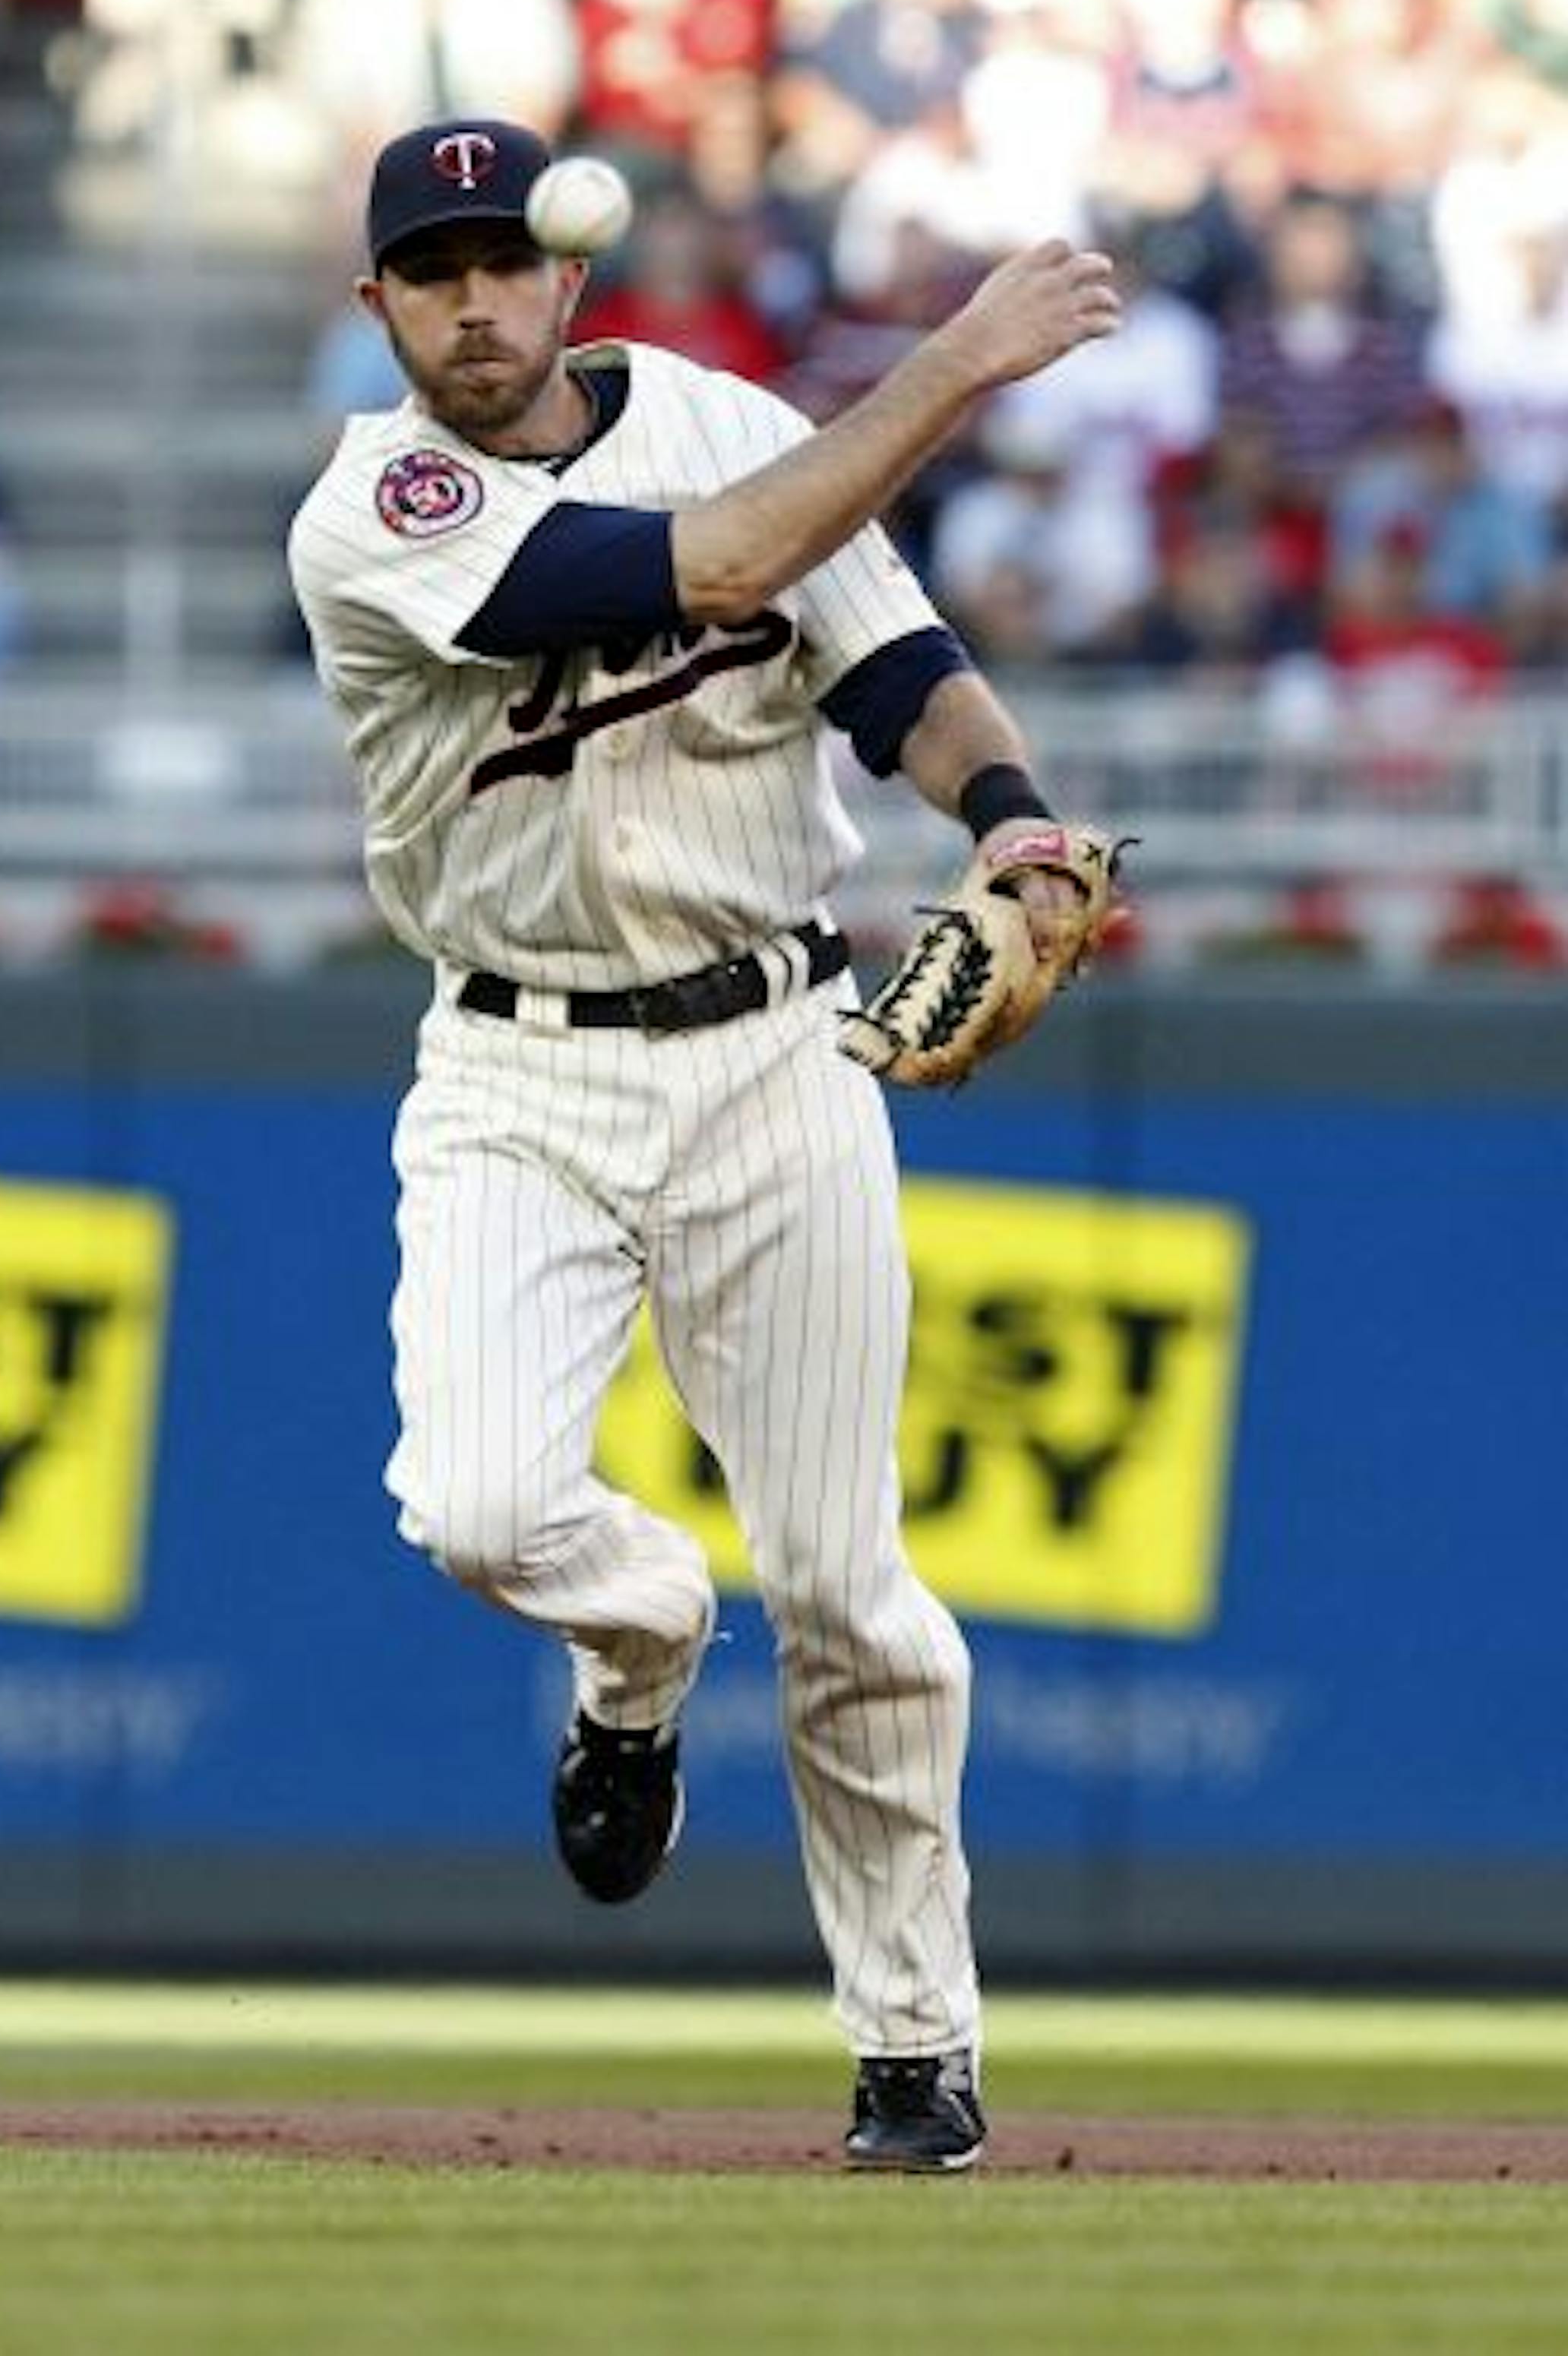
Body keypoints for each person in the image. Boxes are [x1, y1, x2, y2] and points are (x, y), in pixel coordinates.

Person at [288, 116, 1119, 2173]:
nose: (475, 299)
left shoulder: (728, 418)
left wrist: (1006, 811)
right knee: (479, 1501)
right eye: (431, 268)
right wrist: (954, 366)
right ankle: (642, 1640)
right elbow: (717, 567)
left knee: (847, 1583)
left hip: (774, 1048)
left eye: (503, 258)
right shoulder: (374, 507)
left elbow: (893, 665)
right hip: (517, 1066)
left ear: (569, 278)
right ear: (375, 304)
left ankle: (913, 2049)